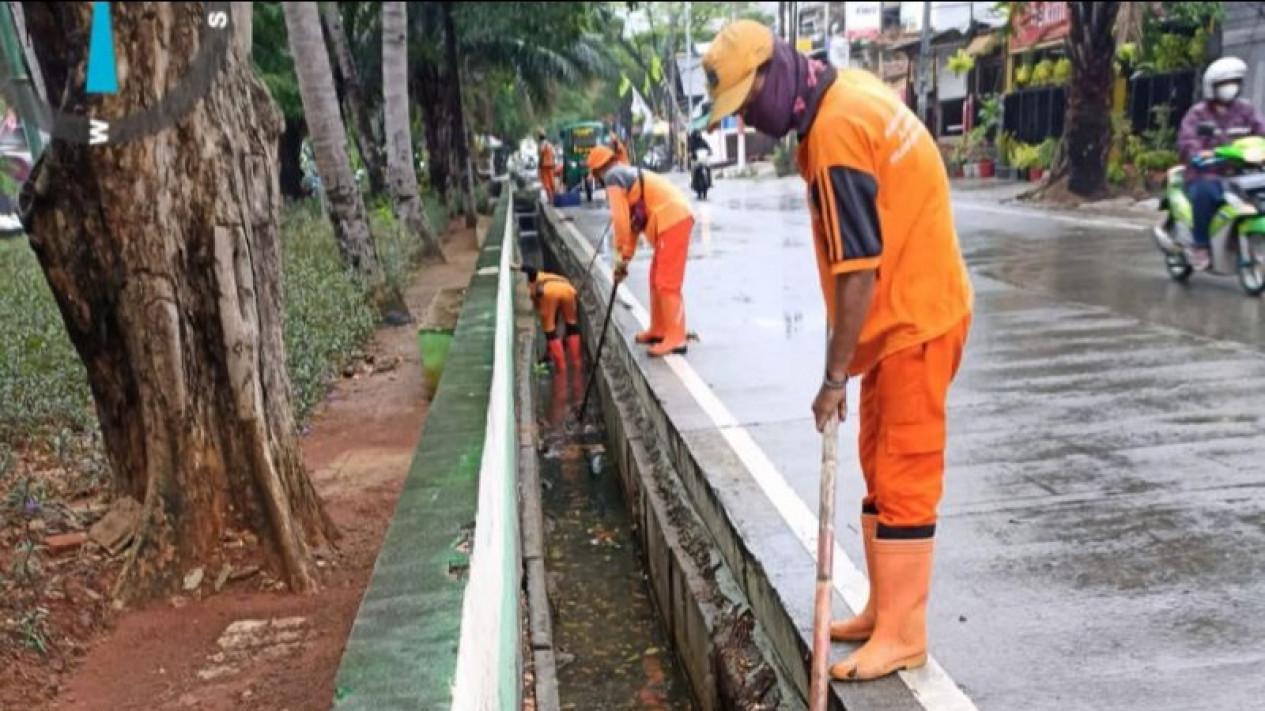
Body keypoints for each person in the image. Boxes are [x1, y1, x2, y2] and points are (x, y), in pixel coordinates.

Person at [703, 20, 973, 682]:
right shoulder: (841, 94)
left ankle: (904, 633)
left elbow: (857, 268)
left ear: (771, 73)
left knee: (904, 469)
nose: (751, 122)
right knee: (878, 458)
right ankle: (885, 608)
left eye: (746, 104)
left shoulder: (836, 132)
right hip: (897, 321)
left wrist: (831, 377)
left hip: (916, 316)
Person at [587, 145, 695, 357]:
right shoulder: (624, 175)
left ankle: (676, 337)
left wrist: (619, 261)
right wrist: (624, 258)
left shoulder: (613, 177)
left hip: (673, 219)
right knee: (655, 278)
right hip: (671, 219)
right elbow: (634, 225)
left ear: (597, 171)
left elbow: (620, 223)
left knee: (667, 283)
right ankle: (659, 328)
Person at [1178, 56, 1265, 270]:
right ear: (1212, 87)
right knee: (1204, 192)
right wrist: (1198, 154)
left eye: (1234, 82)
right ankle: (1200, 245)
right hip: (1207, 174)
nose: (1230, 87)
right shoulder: (1198, 113)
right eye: (1225, 83)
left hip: (1242, 174)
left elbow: (1261, 132)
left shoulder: (1246, 110)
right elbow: (1187, 141)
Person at [523, 266, 582, 373]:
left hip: (548, 293)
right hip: (568, 289)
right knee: (572, 326)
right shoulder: (548, 276)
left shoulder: (533, 285)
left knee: (549, 331)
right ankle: (577, 363)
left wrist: (516, 266)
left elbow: (539, 306)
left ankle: (561, 367)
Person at [537, 130, 558, 202]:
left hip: (544, 165)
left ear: (540, 138)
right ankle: (555, 197)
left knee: (546, 183)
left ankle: (550, 198)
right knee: (552, 181)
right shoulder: (550, 145)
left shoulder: (542, 145)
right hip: (551, 165)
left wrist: (539, 166)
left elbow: (540, 155)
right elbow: (554, 154)